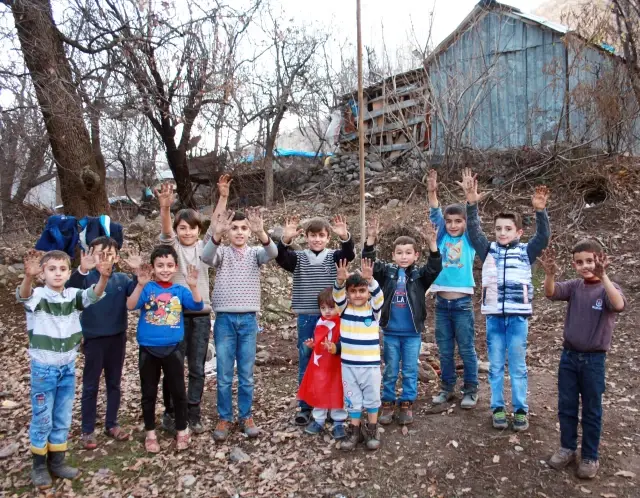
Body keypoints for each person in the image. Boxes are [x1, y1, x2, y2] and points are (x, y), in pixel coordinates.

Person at [460, 168, 550, 431]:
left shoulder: (525, 252)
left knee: (518, 366)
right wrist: (471, 203)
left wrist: (540, 212)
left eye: (508, 229)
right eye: (498, 228)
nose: (502, 232)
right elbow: (474, 232)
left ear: (519, 232)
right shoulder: (488, 250)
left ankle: (520, 410)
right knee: (496, 365)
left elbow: (543, 237)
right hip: (494, 319)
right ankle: (498, 407)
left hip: (518, 317)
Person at [18, 249, 111, 489]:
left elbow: (94, 294)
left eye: (62, 269)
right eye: (51, 269)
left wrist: (103, 277)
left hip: (67, 368)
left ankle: (57, 460)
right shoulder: (38, 295)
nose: (57, 274)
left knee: (62, 416)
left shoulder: (73, 295)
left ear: (69, 273)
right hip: (43, 369)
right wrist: (27, 277)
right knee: (42, 417)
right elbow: (24, 296)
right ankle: (39, 464)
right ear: (42, 273)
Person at [539, 241, 626, 479]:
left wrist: (604, 276)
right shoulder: (575, 286)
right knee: (566, 406)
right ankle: (567, 448)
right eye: (580, 262)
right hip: (569, 357)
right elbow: (551, 292)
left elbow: (618, 304)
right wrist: (549, 275)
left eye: (590, 260)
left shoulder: (609, 288)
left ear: (600, 259)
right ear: (574, 264)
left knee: (591, 410)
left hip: (593, 361)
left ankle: (589, 456)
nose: (586, 266)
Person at [156, 175, 231, 434]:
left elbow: (217, 227)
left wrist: (222, 197)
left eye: (192, 228)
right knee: (173, 367)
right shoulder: (172, 247)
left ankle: (193, 411)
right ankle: (171, 411)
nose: (187, 232)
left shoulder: (204, 248)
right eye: (183, 228)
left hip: (200, 315)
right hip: (173, 316)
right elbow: (166, 231)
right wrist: (166, 208)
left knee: (197, 367)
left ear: (199, 231)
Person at [201, 208, 278, 441]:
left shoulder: (256, 253)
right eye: (234, 228)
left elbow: (273, 252)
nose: (239, 232)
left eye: (244, 228)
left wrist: (261, 232)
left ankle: (246, 416)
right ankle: (224, 417)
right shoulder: (221, 252)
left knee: (246, 374)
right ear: (228, 231)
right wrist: (216, 234)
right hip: (224, 320)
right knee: (224, 374)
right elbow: (205, 257)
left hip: (248, 321)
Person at [276, 215, 356, 426]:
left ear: (328, 238)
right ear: (307, 238)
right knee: (307, 359)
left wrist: (345, 237)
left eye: (321, 236)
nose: (317, 239)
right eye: (313, 236)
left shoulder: (334, 257)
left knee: (332, 361)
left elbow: (349, 253)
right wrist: (285, 240)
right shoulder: (299, 257)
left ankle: (331, 404)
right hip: (307, 317)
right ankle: (305, 406)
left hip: (332, 317)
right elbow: (281, 258)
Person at [362, 217, 441, 426]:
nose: (403, 257)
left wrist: (433, 245)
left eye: (408, 253)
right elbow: (368, 262)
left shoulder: (420, 276)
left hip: (412, 333)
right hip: (390, 332)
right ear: (393, 255)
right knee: (389, 369)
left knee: (409, 369)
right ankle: (387, 402)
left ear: (416, 255)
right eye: (399, 253)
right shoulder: (387, 273)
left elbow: (435, 268)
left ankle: (406, 402)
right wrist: (370, 239)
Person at [127, 245, 204, 453]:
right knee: (149, 393)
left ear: (176, 267)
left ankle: (182, 429)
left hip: (173, 349)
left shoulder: (179, 290)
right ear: (152, 267)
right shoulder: (148, 288)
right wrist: (140, 284)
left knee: (179, 392)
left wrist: (194, 286)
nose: (165, 269)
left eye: (169, 265)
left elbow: (197, 306)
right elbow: (131, 305)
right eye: (160, 265)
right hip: (148, 350)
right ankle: (150, 433)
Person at [67, 237, 142, 449]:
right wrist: (81, 269)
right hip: (93, 340)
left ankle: (112, 423)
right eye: (100, 253)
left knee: (114, 383)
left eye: (110, 254)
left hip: (117, 337)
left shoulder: (121, 279)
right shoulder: (85, 278)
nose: (105, 259)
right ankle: (87, 430)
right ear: (90, 254)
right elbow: (70, 292)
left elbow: (134, 297)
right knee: (91, 385)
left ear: (117, 258)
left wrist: (137, 274)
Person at [426, 169, 480, 408]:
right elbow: (435, 215)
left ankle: (470, 389)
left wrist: (470, 198)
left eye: (458, 221)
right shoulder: (440, 238)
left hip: (462, 305)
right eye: (449, 221)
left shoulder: (469, 239)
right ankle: (447, 387)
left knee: (467, 349)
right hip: (441, 304)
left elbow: (474, 221)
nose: (453, 225)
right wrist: (432, 192)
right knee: (445, 350)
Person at [333, 258, 384, 451]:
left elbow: (379, 297)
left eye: (362, 291)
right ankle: (355, 430)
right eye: (352, 291)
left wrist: (370, 280)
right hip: (349, 366)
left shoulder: (373, 311)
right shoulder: (344, 310)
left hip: (370, 366)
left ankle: (372, 428)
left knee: (371, 398)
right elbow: (337, 296)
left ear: (367, 293)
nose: (357, 295)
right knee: (352, 398)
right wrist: (339, 282)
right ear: (348, 293)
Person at [297, 288, 347, 440]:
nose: (327, 311)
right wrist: (313, 345)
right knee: (320, 387)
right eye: (323, 308)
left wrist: (335, 347)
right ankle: (319, 418)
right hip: (320, 363)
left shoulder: (342, 323)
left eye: (331, 307)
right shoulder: (320, 322)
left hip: (336, 363)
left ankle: (339, 420)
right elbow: (319, 341)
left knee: (338, 388)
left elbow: (345, 344)